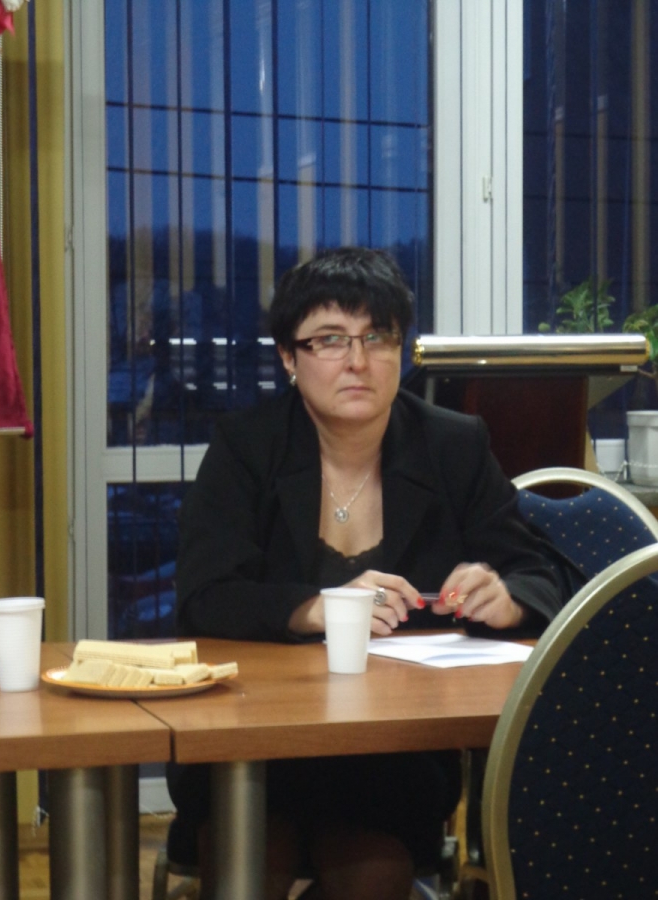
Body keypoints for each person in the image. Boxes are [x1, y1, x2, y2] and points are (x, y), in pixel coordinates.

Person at [168, 246, 574, 900]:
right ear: (288, 357)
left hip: (393, 750)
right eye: (330, 339)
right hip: (254, 739)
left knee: (374, 874)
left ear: (400, 351)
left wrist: (508, 598)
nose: (357, 361)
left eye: (376, 337)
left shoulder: (453, 444)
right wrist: (317, 608)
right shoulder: (246, 446)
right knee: (250, 862)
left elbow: (540, 572)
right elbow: (204, 595)